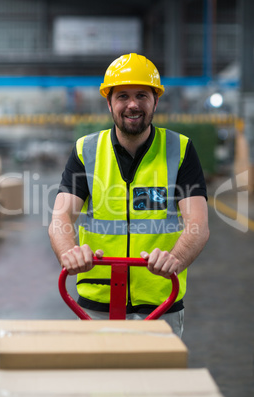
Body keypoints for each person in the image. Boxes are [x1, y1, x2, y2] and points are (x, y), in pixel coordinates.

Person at [48, 53, 209, 338]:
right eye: (122, 96)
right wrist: (69, 253)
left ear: (155, 101)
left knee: (156, 383)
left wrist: (175, 259)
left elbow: (198, 225)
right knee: (100, 383)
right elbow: (61, 216)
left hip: (160, 304)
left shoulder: (180, 150)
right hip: (96, 303)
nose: (132, 104)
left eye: (142, 96)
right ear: (109, 103)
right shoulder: (86, 150)